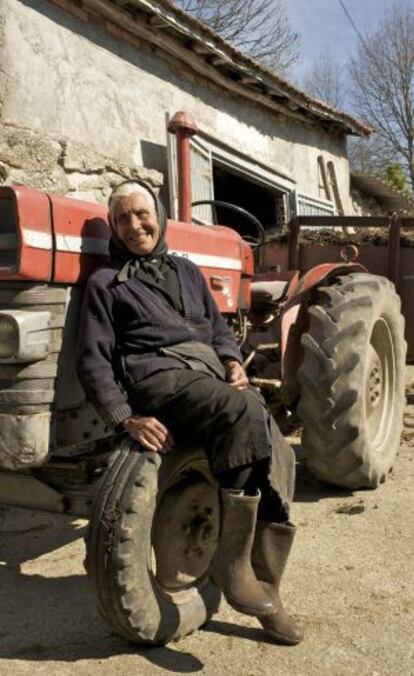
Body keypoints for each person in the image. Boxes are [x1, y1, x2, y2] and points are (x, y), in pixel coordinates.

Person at [77, 180, 303, 645]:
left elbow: (218, 329)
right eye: (122, 219)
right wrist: (124, 417)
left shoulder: (187, 270)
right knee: (241, 410)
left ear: (158, 214)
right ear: (114, 229)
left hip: (204, 374)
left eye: (141, 213)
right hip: (157, 376)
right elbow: (93, 359)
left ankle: (267, 587)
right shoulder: (105, 283)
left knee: (278, 447)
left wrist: (233, 360)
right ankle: (232, 563)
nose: (134, 224)